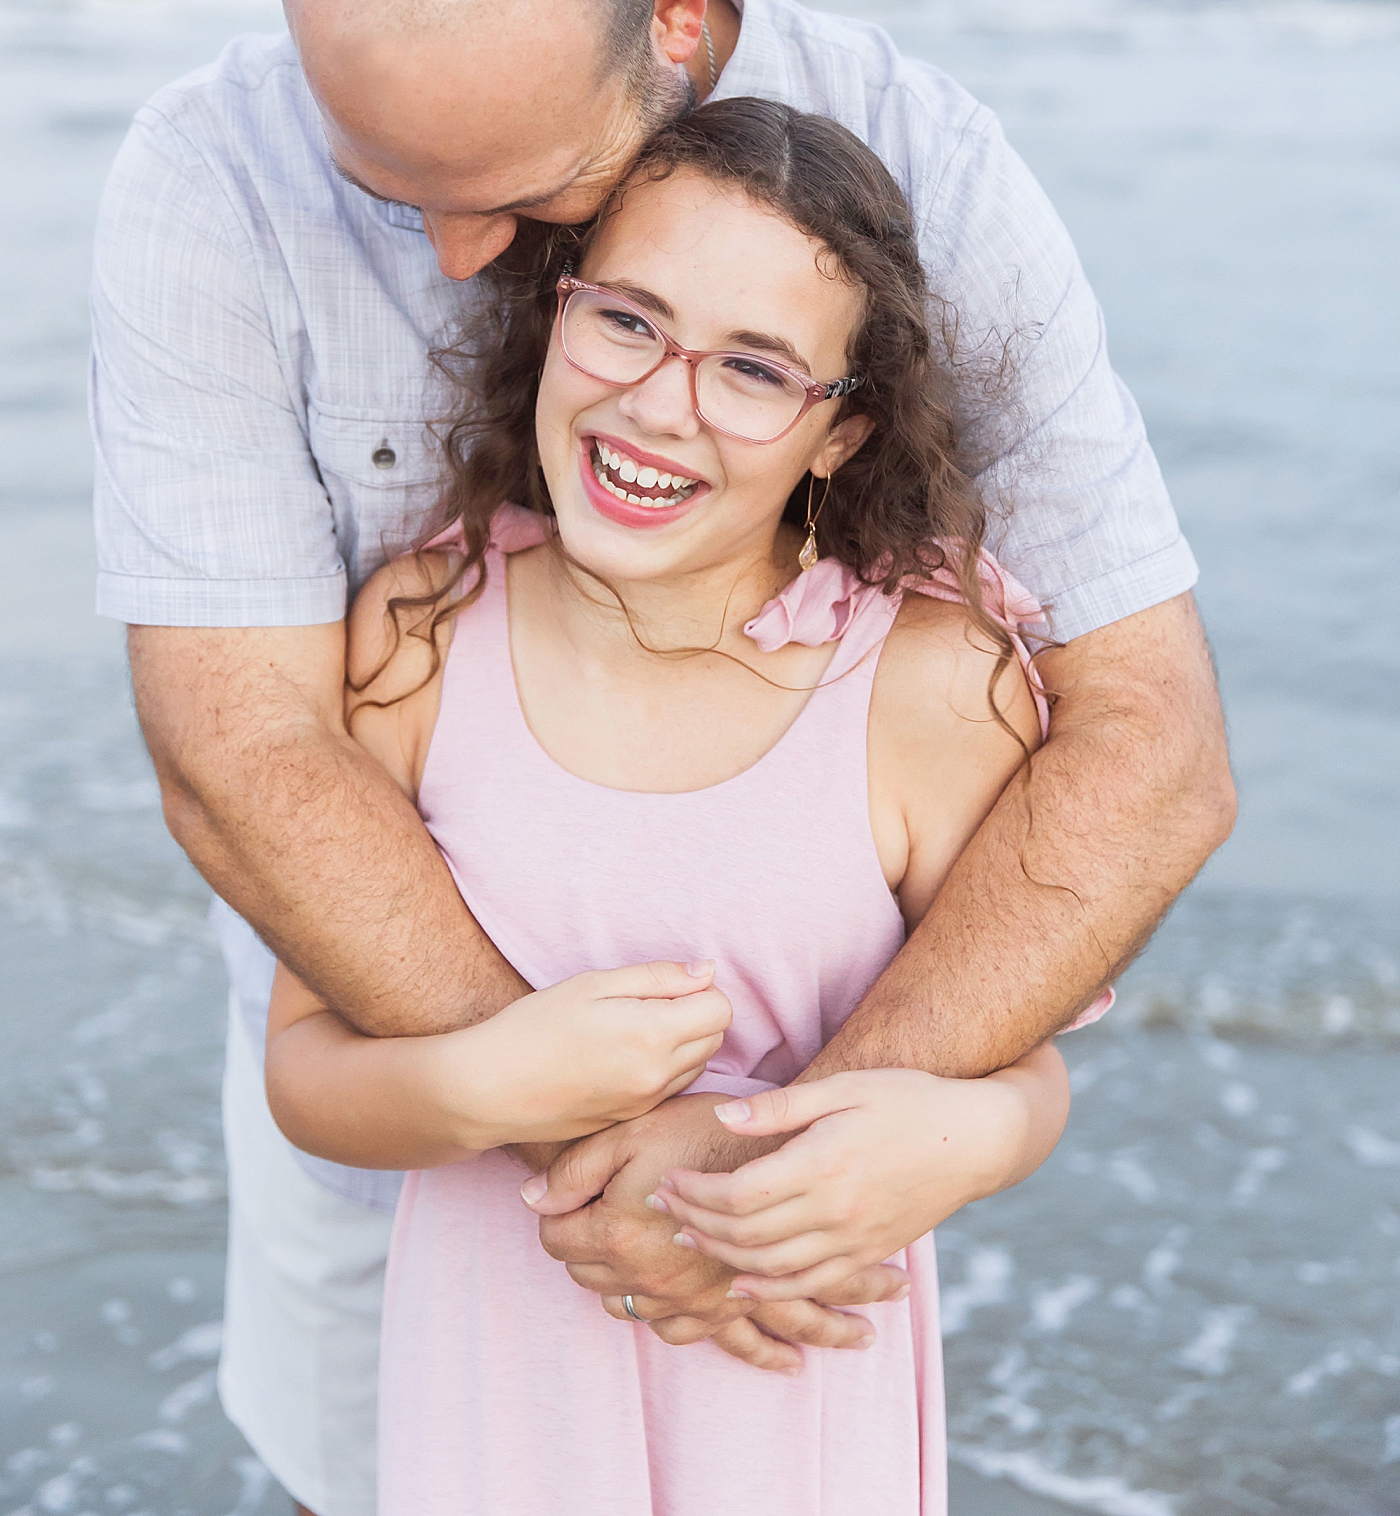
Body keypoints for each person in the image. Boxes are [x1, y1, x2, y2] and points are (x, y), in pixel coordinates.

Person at [90, 0, 1234, 1516]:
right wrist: (573, 1135)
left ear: (676, 19)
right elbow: (237, 754)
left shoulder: (926, 162)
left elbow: (1151, 750)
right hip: (414, 1154)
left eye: (530, 197)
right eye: (394, 191)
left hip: (802, 1228)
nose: (465, 262)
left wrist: (762, 1186)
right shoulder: (208, 178)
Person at [265, 101, 1085, 1516]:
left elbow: (1021, 1068)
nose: (662, 402)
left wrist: (956, 1145)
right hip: (497, 1395)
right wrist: (481, 1081)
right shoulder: (422, 627)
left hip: (787, 1383)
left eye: (757, 369)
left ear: (844, 433)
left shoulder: (930, 681)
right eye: (628, 322)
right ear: (555, 313)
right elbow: (305, 1075)